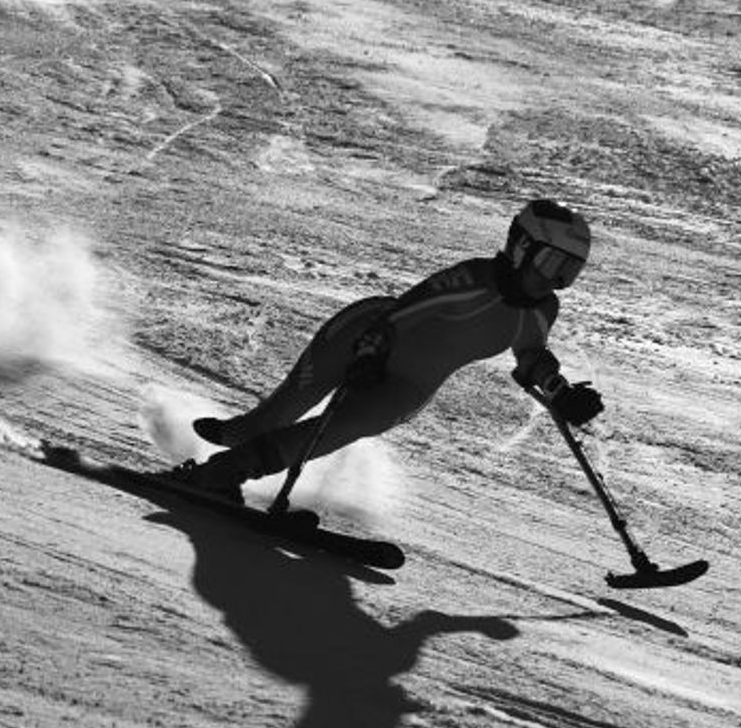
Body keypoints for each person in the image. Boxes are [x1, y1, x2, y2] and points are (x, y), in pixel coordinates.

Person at [165, 198, 606, 504]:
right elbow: (401, 315)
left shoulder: (542, 308)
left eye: (569, 272)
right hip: (364, 336)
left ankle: (224, 472)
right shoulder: (472, 280)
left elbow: (531, 355)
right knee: (283, 411)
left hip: (412, 385)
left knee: (339, 429)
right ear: (521, 248)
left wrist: (560, 392)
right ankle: (237, 438)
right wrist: (370, 354)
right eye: (552, 265)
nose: (555, 280)